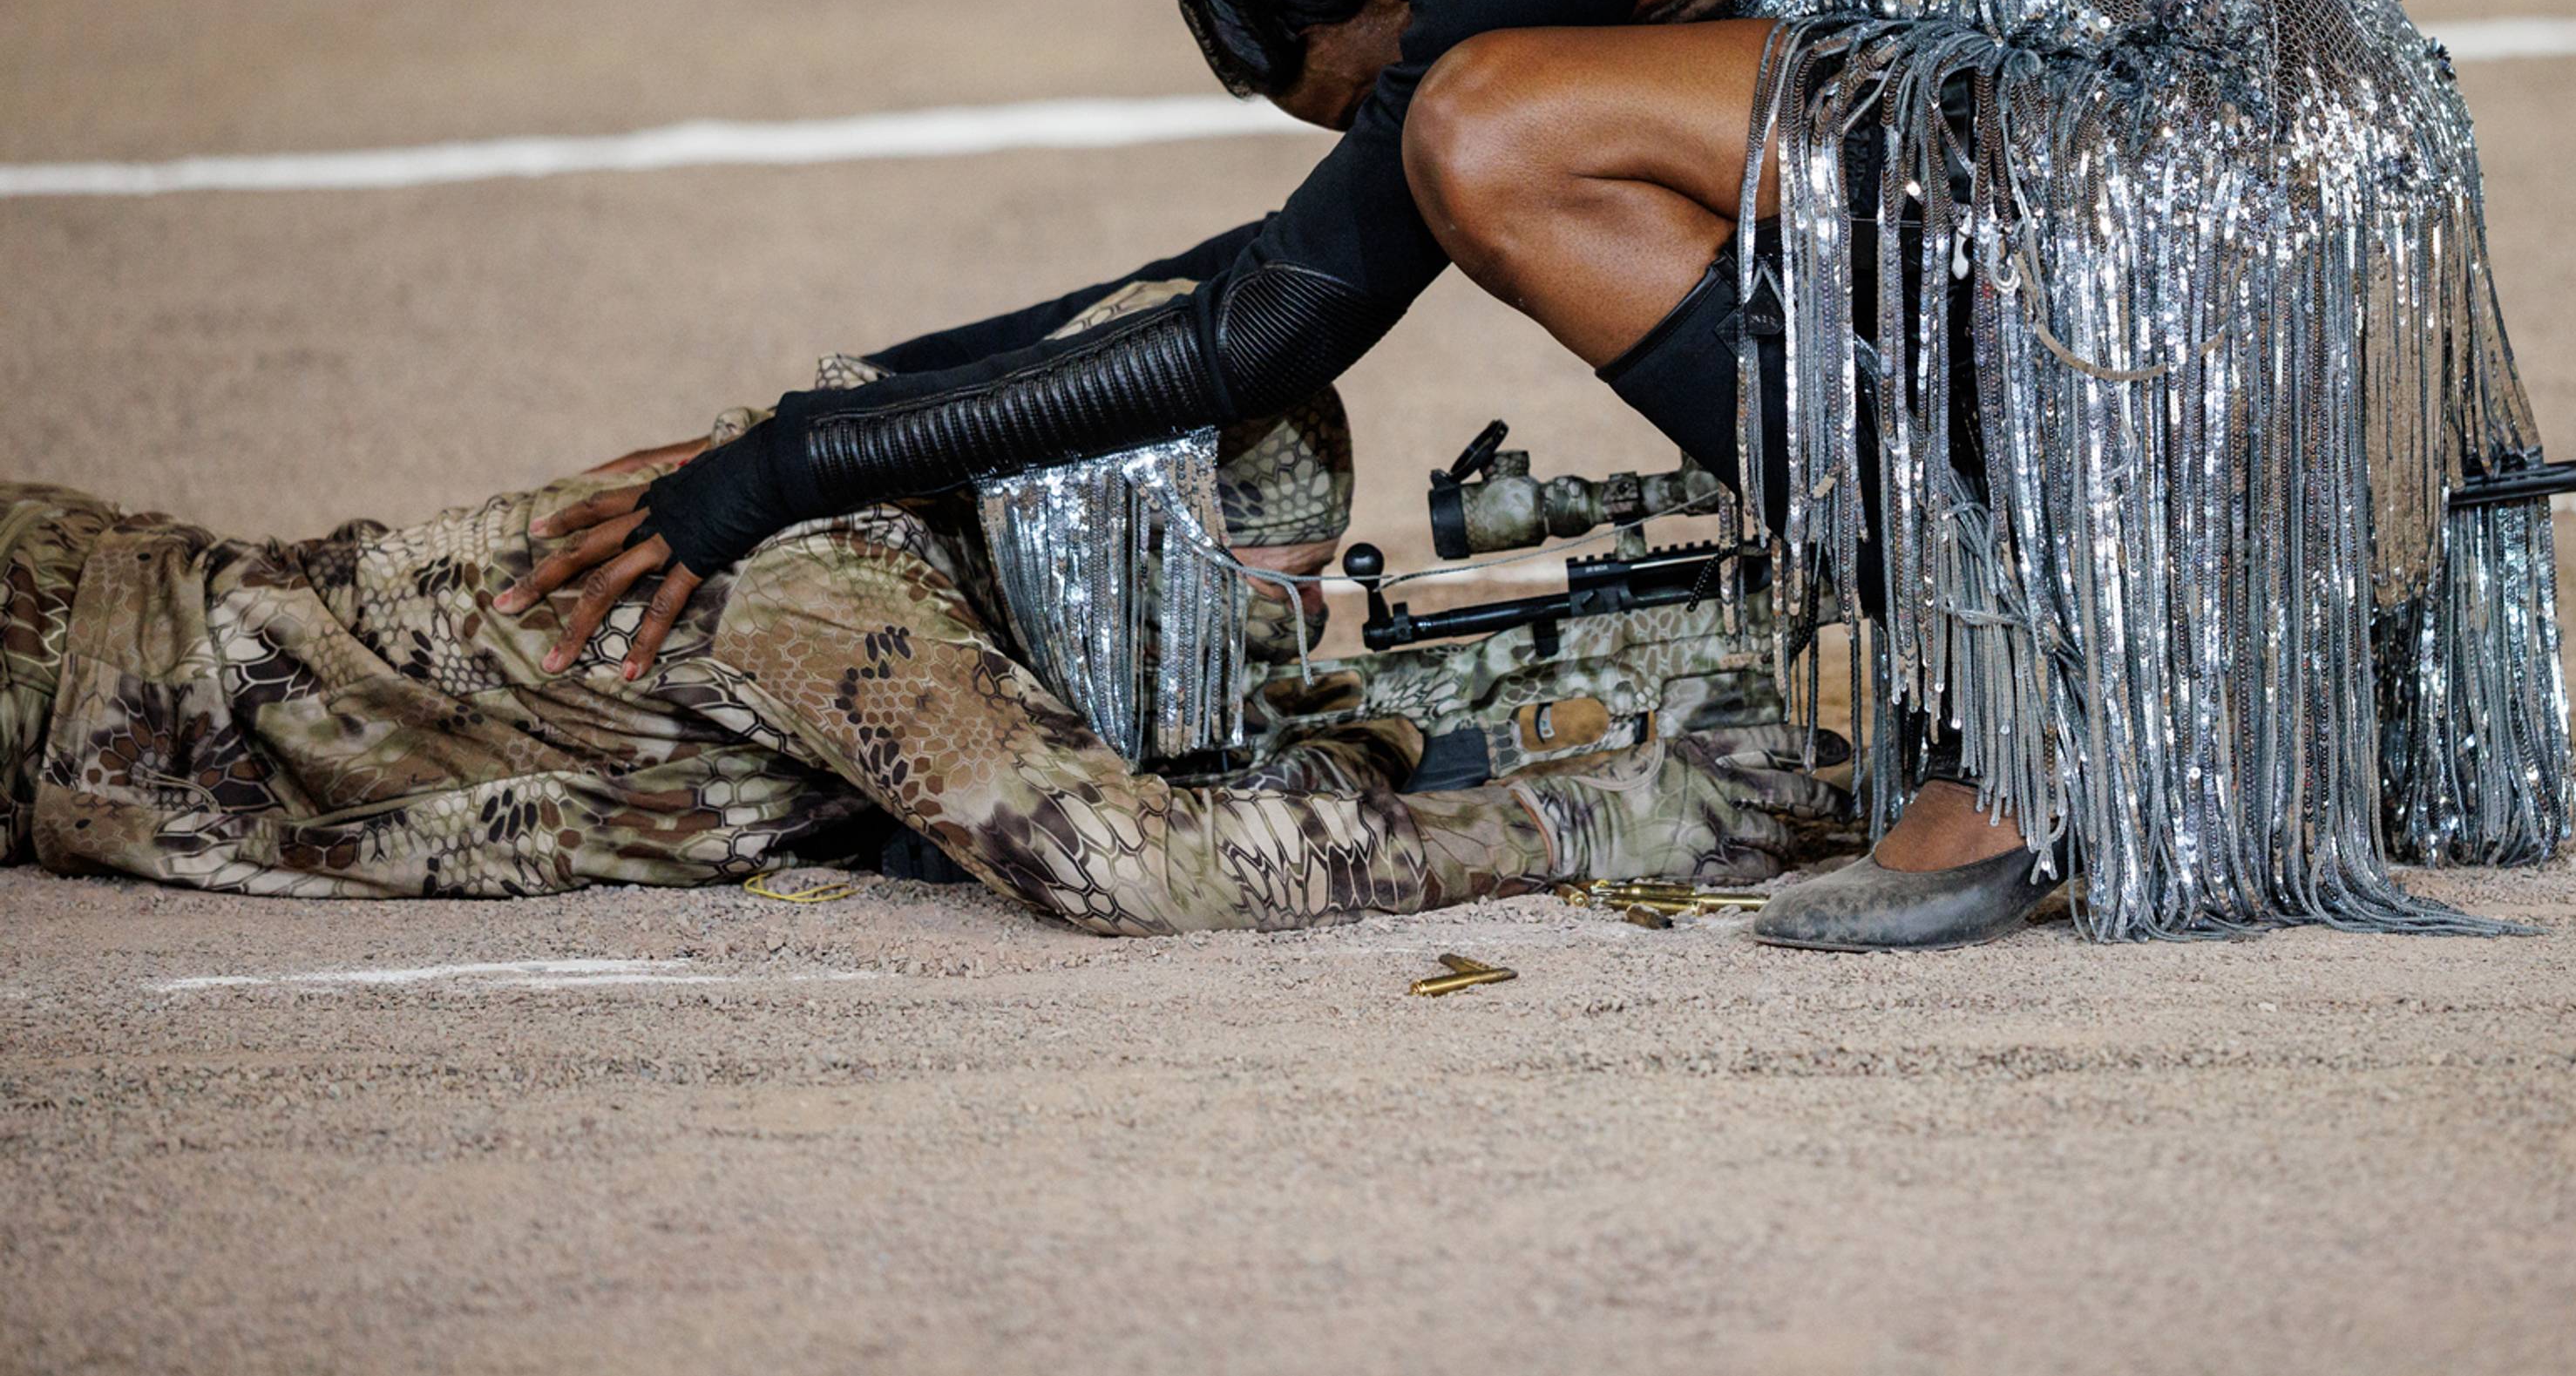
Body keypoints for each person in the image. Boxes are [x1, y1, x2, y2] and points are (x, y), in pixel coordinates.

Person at [508, 0, 2576, 949]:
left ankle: (2042, 707)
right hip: (2282, 171)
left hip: (2199, 173)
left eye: (1351, 90)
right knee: (1543, 140)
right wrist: (821, 406)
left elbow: (1272, 326)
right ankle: (2099, 647)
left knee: (1497, 145)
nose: (1372, 137)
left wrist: (779, 471)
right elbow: (1254, 271)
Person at [0, 261, 1839, 932]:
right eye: (1233, 579)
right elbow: (1132, 868)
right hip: (74, 675)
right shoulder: (838, 586)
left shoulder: (933, 517)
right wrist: (1587, 816)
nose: (1274, 632)